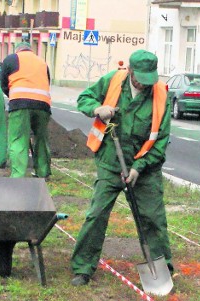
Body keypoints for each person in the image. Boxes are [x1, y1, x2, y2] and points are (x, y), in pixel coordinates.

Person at [70, 49, 173, 286]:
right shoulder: (112, 81)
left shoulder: (161, 95)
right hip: (110, 161)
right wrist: (97, 109)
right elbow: (84, 98)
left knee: (153, 218)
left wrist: (139, 167)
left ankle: (162, 268)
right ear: (130, 71)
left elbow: (160, 141)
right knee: (97, 214)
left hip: (144, 168)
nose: (144, 84)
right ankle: (83, 267)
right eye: (140, 79)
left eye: (149, 79)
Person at [0, 42, 51, 178]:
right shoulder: (42, 62)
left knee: (18, 139)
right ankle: (43, 173)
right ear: (30, 50)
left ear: (18, 50)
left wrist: (13, 97)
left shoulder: (11, 59)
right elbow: (47, 83)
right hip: (43, 105)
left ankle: (18, 176)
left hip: (20, 104)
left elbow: (4, 84)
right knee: (41, 138)